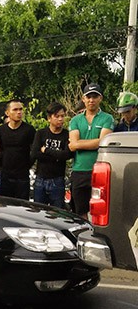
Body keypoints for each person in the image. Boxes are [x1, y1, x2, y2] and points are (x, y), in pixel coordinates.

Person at [69, 83, 114, 219]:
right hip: (79, 171)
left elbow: (103, 142)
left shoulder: (107, 118)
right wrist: (95, 142)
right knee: (80, 211)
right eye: (88, 97)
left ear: (100, 98)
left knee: (100, 210)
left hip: (99, 170)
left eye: (95, 97)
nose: (91, 100)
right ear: (83, 99)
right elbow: (73, 145)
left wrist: (79, 143)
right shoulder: (75, 120)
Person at [30, 102, 73, 208]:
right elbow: (35, 153)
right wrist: (57, 156)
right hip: (41, 179)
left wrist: (47, 150)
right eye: (57, 116)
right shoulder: (41, 133)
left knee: (57, 212)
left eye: (62, 116)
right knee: (38, 210)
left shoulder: (66, 135)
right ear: (49, 118)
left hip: (57, 180)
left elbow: (66, 155)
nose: (60, 119)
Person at [0, 99, 36, 200]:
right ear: (7, 113)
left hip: (22, 176)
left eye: (21, 109)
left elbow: (34, 150)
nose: (19, 112)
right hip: (5, 175)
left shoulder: (29, 130)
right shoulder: (1, 130)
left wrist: (27, 164)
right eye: (15, 109)